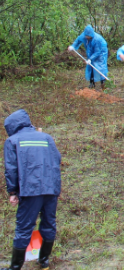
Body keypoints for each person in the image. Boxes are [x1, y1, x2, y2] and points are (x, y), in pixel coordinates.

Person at [3, 110, 61, 270]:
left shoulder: (12, 141)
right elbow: (57, 159)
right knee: (49, 223)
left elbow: (11, 169)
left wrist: (12, 192)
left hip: (30, 190)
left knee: (24, 227)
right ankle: (44, 261)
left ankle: (15, 267)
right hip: (51, 188)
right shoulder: (46, 138)